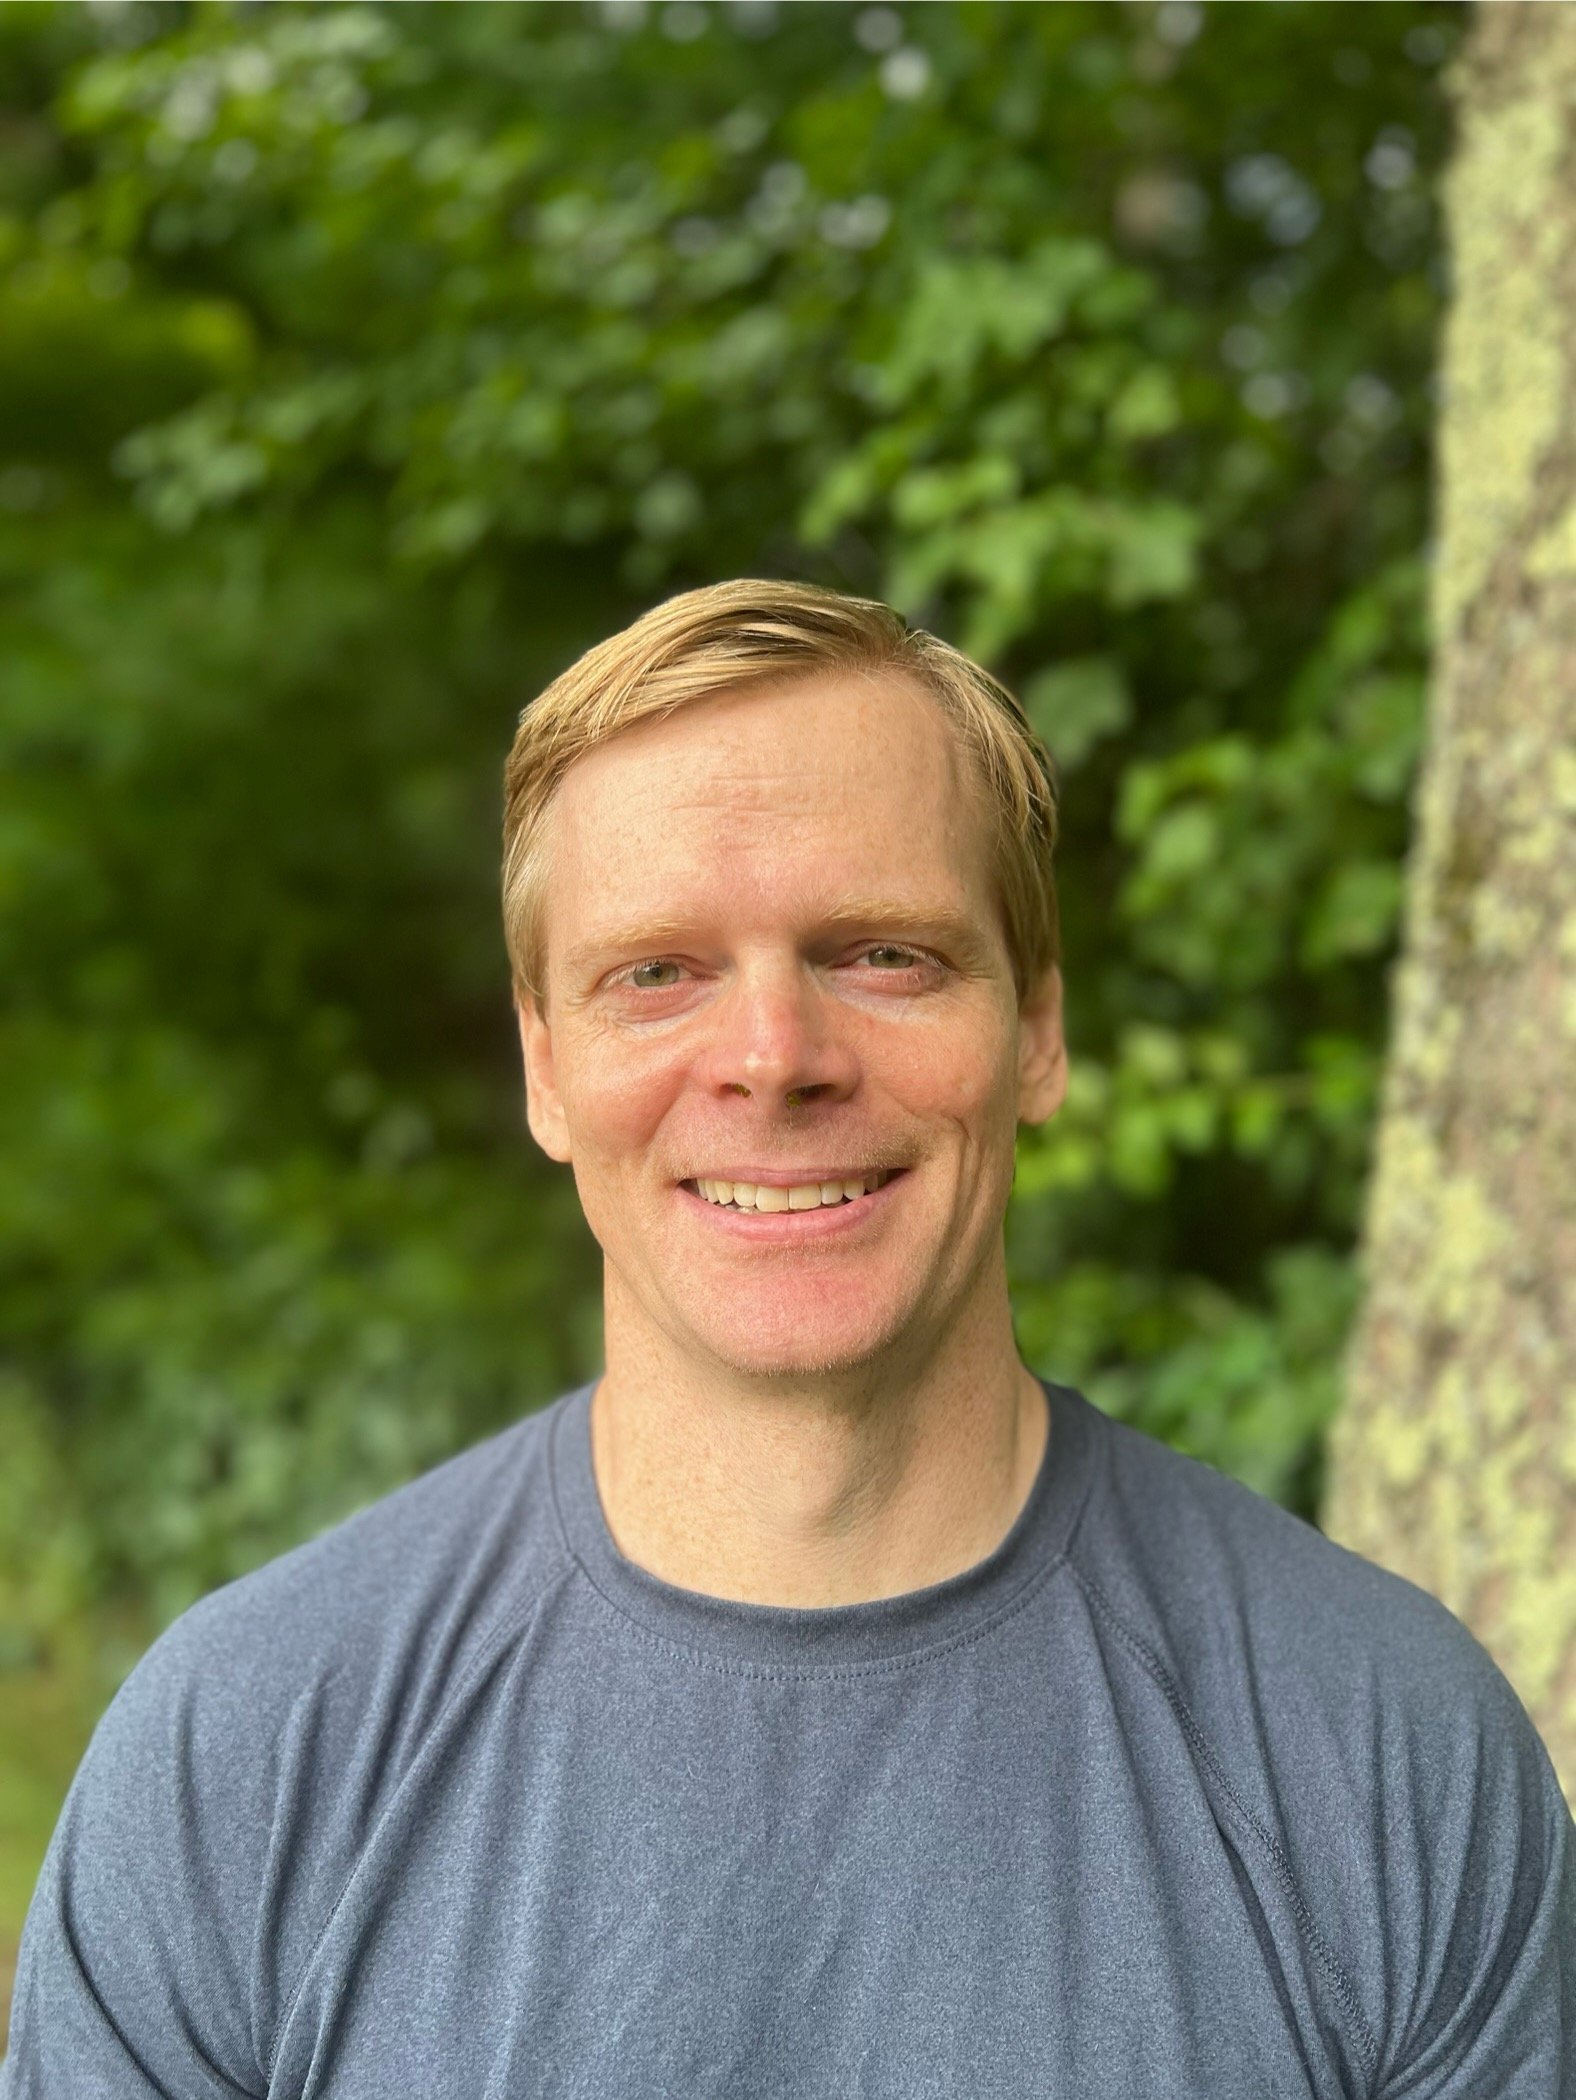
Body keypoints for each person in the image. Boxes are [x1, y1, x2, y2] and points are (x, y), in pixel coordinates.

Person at [5, 580, 1572, 2097]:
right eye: (656, 974)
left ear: (1036, 1028)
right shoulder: (246, 1756)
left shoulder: (1384, 1753)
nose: (773, 1058)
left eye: (882, 954)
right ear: (545, 1068)